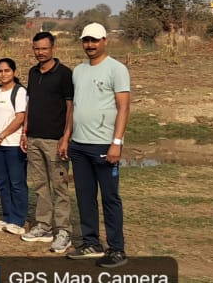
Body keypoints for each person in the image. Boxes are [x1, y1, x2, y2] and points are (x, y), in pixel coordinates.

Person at [66, 23, 131, 269]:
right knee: (85, 197)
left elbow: (123, 107)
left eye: (94, 40)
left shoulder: (117, 69)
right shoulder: (78, 70)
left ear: (105, 41)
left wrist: (117, 143)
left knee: (110, 198)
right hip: (79, 145)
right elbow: (74, 107)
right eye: (86, 41)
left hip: (104, 145)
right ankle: (91, 243)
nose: (90, 45)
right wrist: (67, 137)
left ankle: (117, 249)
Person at [20, 31, 75, 253]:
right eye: (37, 48)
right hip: (34, 137)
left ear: (53, 48)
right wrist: (25, 131)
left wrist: (66, 137)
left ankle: (64, 231)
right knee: (40, 185)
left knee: (59, 186)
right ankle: (43, 225)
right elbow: (30, 103)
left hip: (55, 140)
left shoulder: (64, 74)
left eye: (44, 48)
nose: (40, 52)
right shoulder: (33, 73)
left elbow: (70, 107)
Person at [0, 58, 29, 235]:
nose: (3, 74)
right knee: (2, 182)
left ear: (14, 72)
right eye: (0, 71)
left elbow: (20, 117)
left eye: (7, 70)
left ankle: (18, 220)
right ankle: (7, 216)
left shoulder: (19, 91)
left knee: (17, 182)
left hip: (13, 144)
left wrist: (2, 135)